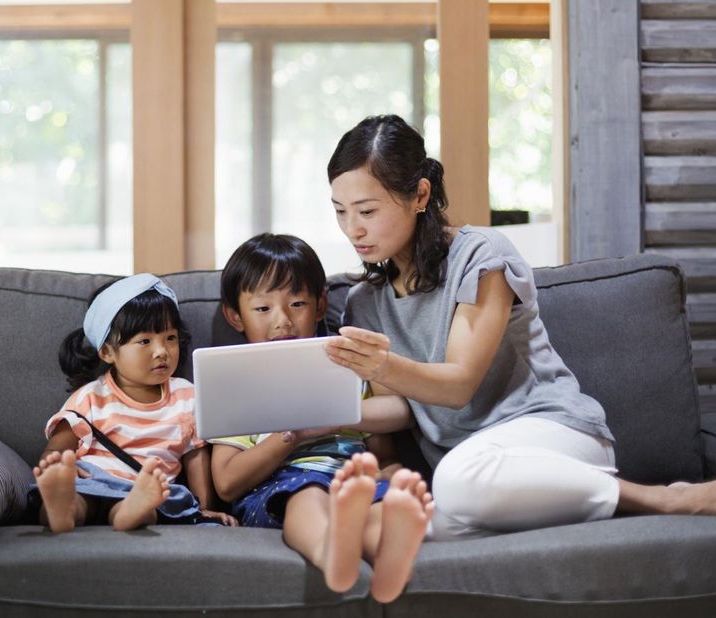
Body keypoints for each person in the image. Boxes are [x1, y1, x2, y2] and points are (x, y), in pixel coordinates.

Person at [322, 114, 716, 541]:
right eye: (341, 212)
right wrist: (316, 420)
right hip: (480, 472)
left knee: (455, 483)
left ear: (420, 195)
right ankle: (546, 504)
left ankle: (657, 498)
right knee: (423, 522)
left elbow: (457, 386)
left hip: (553, 435)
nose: (352, 229)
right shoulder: (365, 303)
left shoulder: (481, 256)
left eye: (367, 210)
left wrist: (381, 365)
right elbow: (402, 409)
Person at [210, 233, 433, 604]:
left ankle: (388, 558)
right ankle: (328, 550)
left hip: (354, 480)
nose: (282, 321)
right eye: (263, 309)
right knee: (307, 494)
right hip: (283, 485)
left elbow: (386, 449)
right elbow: (227, 483)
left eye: (296, 303)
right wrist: (291, 434)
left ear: (319, 305)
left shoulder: (347, 368)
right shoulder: (236, 380)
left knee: (378, 503)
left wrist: (393, 476)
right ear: (235, 315)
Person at [34, 273, 237, 533]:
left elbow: (196, 456)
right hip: (90, 480)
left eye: (170, 338)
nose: (162, 351)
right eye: (144, 341)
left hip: (146, 490)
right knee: (78, 499)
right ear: (107, 352)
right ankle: (62, 509)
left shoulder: (186, 396)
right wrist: (58, 469)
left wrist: (203, 506)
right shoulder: (91, 397)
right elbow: (59, 446)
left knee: (151, 509)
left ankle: (128, 513)